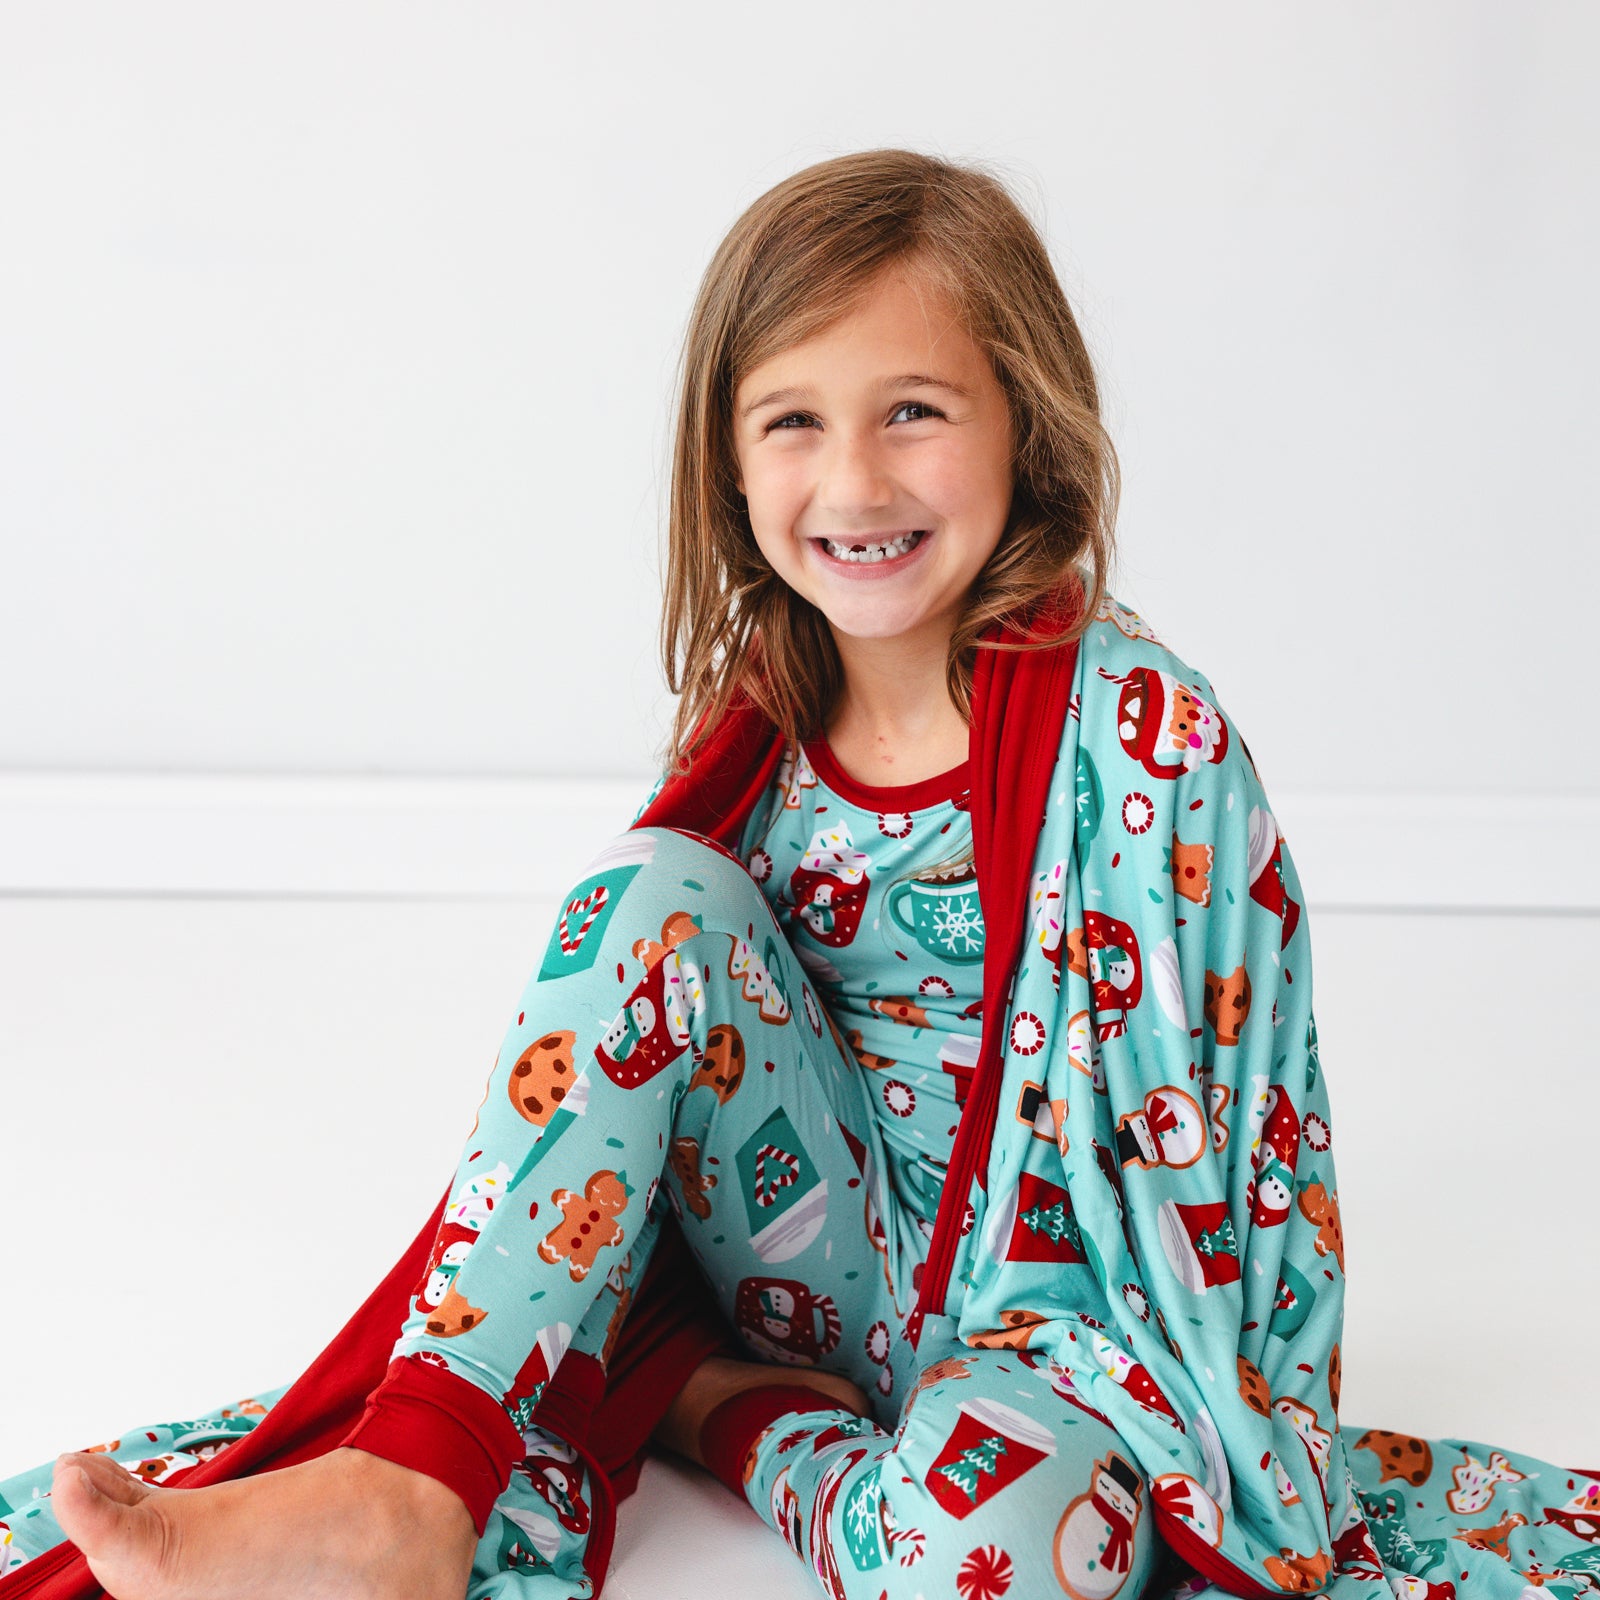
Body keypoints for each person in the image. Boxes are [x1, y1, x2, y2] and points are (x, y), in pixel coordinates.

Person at [2, 149, 1594, 1600]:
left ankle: (734, 1422)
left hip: (1067, 1337)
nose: (857, 483)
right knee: (647, 895)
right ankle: (410, 1493)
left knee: (1002, 1565)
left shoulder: (1144, 738)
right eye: (795, 422)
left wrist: (1144, 1420)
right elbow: (647, 1061)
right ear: (733, 463)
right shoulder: (753, 734)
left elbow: (1234, 1140)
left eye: (914, 409)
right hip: (824, 1263)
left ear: (1022, 423)